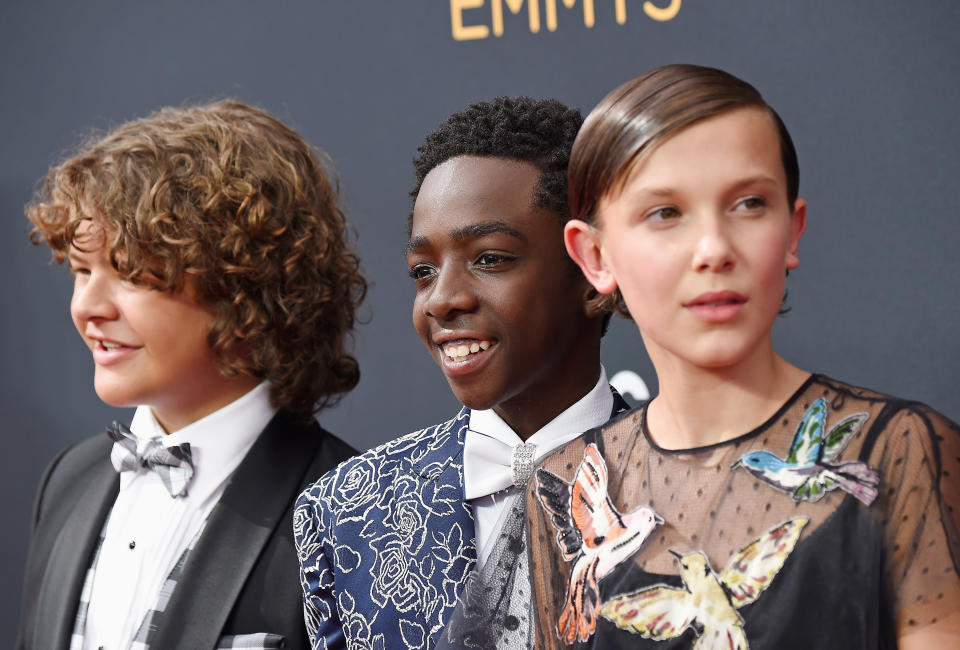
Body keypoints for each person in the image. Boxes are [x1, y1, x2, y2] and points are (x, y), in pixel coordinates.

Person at [517, 64, 960, 649]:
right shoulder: (567, 484)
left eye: (749, 203)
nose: (714, 250)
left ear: (792, 230)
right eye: (666, 213)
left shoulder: (902, 450)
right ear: (594, 255)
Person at [16, 101, 365, 650]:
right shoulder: (69, 480)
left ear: (244, 285)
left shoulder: (357, 509)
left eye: (130, 272)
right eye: (82, 270)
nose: (88, 307)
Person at [294, 96, 629, 649]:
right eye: (423, 271)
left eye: (491, 258)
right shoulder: (343, 511)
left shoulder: (693, 489)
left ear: (592, 271)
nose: (441, 299)